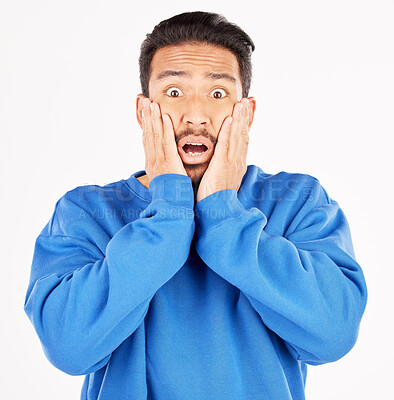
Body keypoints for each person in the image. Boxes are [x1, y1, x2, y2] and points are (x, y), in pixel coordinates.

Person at [24, 11, 368, 400]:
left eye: (218, 94)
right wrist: (169, 211)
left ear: (247, 113)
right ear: (143, 111)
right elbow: (69, 348)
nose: (196, 116)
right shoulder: (86, 212)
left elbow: (333, 335)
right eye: (174, 93)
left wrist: (223, 214)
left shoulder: (298, 201)